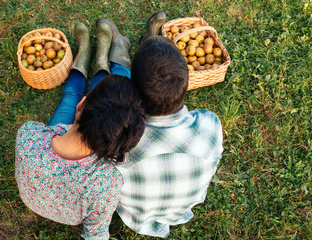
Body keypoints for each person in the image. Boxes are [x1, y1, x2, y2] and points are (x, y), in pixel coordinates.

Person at [15, 20, 145, 239]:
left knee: (72, 96)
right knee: (105, 99)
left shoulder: (28, 135)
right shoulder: (107, 183)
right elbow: (96, 234)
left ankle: (85, 56)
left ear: (81, 106)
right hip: (66, 210)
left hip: (40, 182)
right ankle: (103, 56)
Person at [115, 12, 224, 238]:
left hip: (134, 215)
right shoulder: (210, 127)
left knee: (116, 81)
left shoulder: (119, 141)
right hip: (177, 212)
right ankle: (140, 44)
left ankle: (121, 53)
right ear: (186, 83)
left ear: (134, 93)